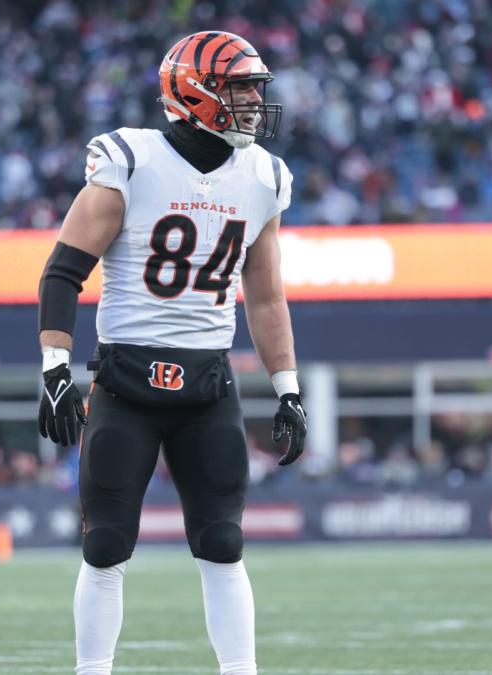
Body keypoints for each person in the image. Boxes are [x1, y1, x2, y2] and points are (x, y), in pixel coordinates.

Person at [35, 31, 306, 675]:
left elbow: (266, 299)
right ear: (195, 92)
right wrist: (54, 369)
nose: (252, 102)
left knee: (223, 542)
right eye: (239, 88)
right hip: (126, 378)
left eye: (253, 89)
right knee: (105, 545)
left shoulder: (263, 177)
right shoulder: (132, 161)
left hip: (209, 383)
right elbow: (62, 272)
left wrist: (288, 387)